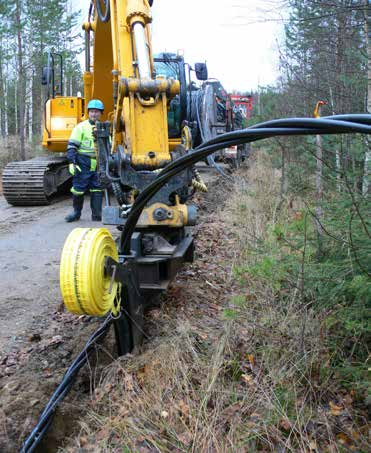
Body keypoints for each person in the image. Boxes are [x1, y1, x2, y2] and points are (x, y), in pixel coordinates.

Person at [65, 99, 104, 222]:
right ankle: (76, 213)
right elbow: (72, 147)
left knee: (97, 188)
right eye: (92, 112)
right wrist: (72, 162)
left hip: (98, 162)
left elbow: (109, 147)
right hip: (83, 161)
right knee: (78, 189)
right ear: (88, 113)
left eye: (97, 112)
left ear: (101, 113)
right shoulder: (80, 128)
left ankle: (97, 215)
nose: (94, 114)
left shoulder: (104, 128)